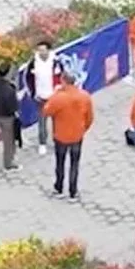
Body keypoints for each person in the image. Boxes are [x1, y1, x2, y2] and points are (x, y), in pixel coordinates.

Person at [44, 72, 93, 201]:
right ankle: (73, 192)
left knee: (60, 163)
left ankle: (59, 189)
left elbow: (46, 111)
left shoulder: (59, 98)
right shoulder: (85, 96)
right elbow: (90, 118)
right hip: (77, 135)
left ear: (63, 81)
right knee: (74, 163)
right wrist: (83, 129)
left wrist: (55, 93)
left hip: (61, 135)